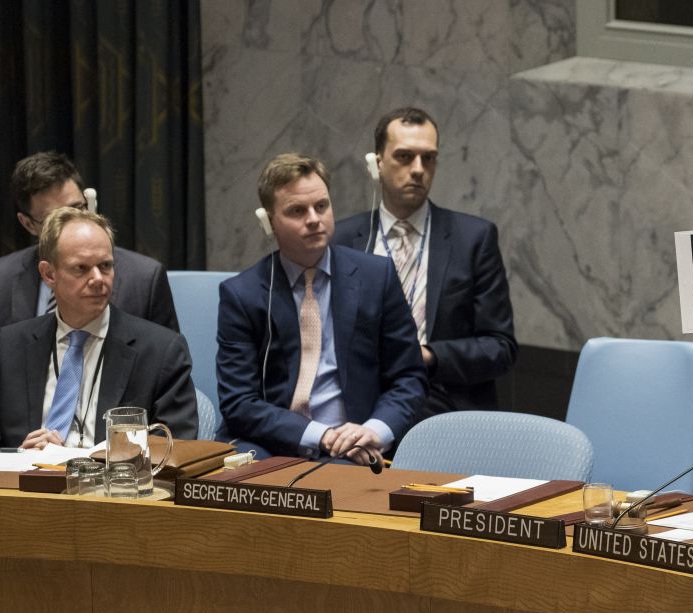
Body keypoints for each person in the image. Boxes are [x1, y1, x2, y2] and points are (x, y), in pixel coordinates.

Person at [218, 153, 426, 464]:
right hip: (268, 443)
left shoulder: (376, 277)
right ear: (269, 222)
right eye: (297, 211)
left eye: (321, 206)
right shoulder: (242, 294)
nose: (314, 219)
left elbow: (409, 377)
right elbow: (239, 402)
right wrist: (322, 436)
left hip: (353, 443)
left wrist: (375, 430)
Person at [0, 208, 197, 448]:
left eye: (105, 266)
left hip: (114, 484)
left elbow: (175, 450)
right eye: (81, 268)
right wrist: (18, 457)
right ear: (49, 274)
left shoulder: (161, 351)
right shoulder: (7, 347)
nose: (98, 279)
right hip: (27, 483)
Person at [333, 107, 516, 419]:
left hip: (438, 397)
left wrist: (429, 356)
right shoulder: (342, 238)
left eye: (428, 158)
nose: (418, 169)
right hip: (358, 395)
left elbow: (500, 348)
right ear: (378, 162)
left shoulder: (473, 239)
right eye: (404, 157)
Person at [0, 152, 178, 376]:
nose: (73, 223)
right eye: (54, 219)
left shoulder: (143, 279)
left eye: (78, 208)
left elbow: (168, 367)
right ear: (27, 223)